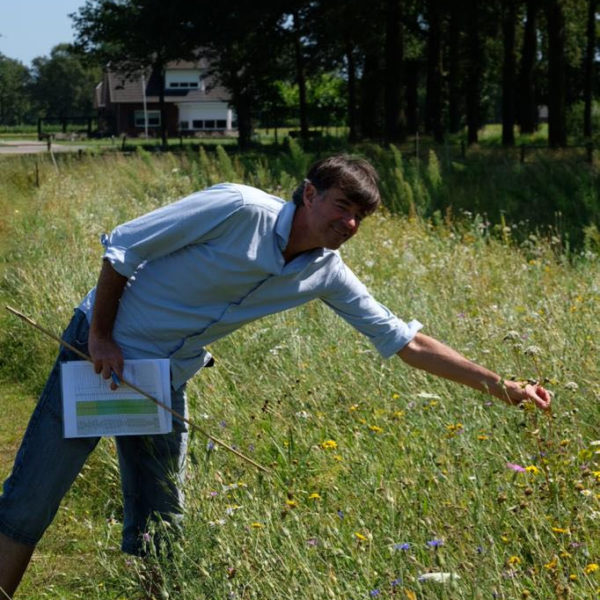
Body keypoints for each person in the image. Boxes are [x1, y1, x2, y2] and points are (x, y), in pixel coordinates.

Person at [0, 154, 550, 596]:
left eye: (361, 216)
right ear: (309, 193)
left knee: (162, 518)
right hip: (99, 351)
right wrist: (100, 336)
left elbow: (405, 341)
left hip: (164, 378)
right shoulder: (238, 209)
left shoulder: (326, 273)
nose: (350, 223)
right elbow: (123, 247)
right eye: (342, 206)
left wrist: (502, 387)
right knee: (34, 494)